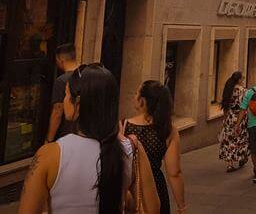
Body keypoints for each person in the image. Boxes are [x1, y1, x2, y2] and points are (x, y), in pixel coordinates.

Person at [18, 63, 160, 214]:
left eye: (66, 94)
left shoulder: (49, 154)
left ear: (77, 103)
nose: (65, 100)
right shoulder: (131, 150)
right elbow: (153, 208)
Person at [124, 80, 187, 214]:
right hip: (156, 188)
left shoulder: (123, 126)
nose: (134, 96)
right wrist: (182, 206)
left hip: (131, 188)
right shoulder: (168, 130)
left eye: (136, 93)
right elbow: (174, 172)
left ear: (142, 101)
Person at [46, 44, 79, 143]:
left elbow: (58, 111)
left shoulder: (62, 81)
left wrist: (49, 139)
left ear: (60, 60)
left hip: (67, 133)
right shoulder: (88, 75)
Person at [218, 71, 249, 171]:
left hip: (229, 118)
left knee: (229, 140)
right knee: (241, 139)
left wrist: (226, 118)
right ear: (239, 80)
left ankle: (230, 164)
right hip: (240, 118)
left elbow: (225, 106)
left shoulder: (228, 89)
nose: (243, 80)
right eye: (242, 78)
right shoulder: (243, 91)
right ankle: (242, 157)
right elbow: (244, 107)